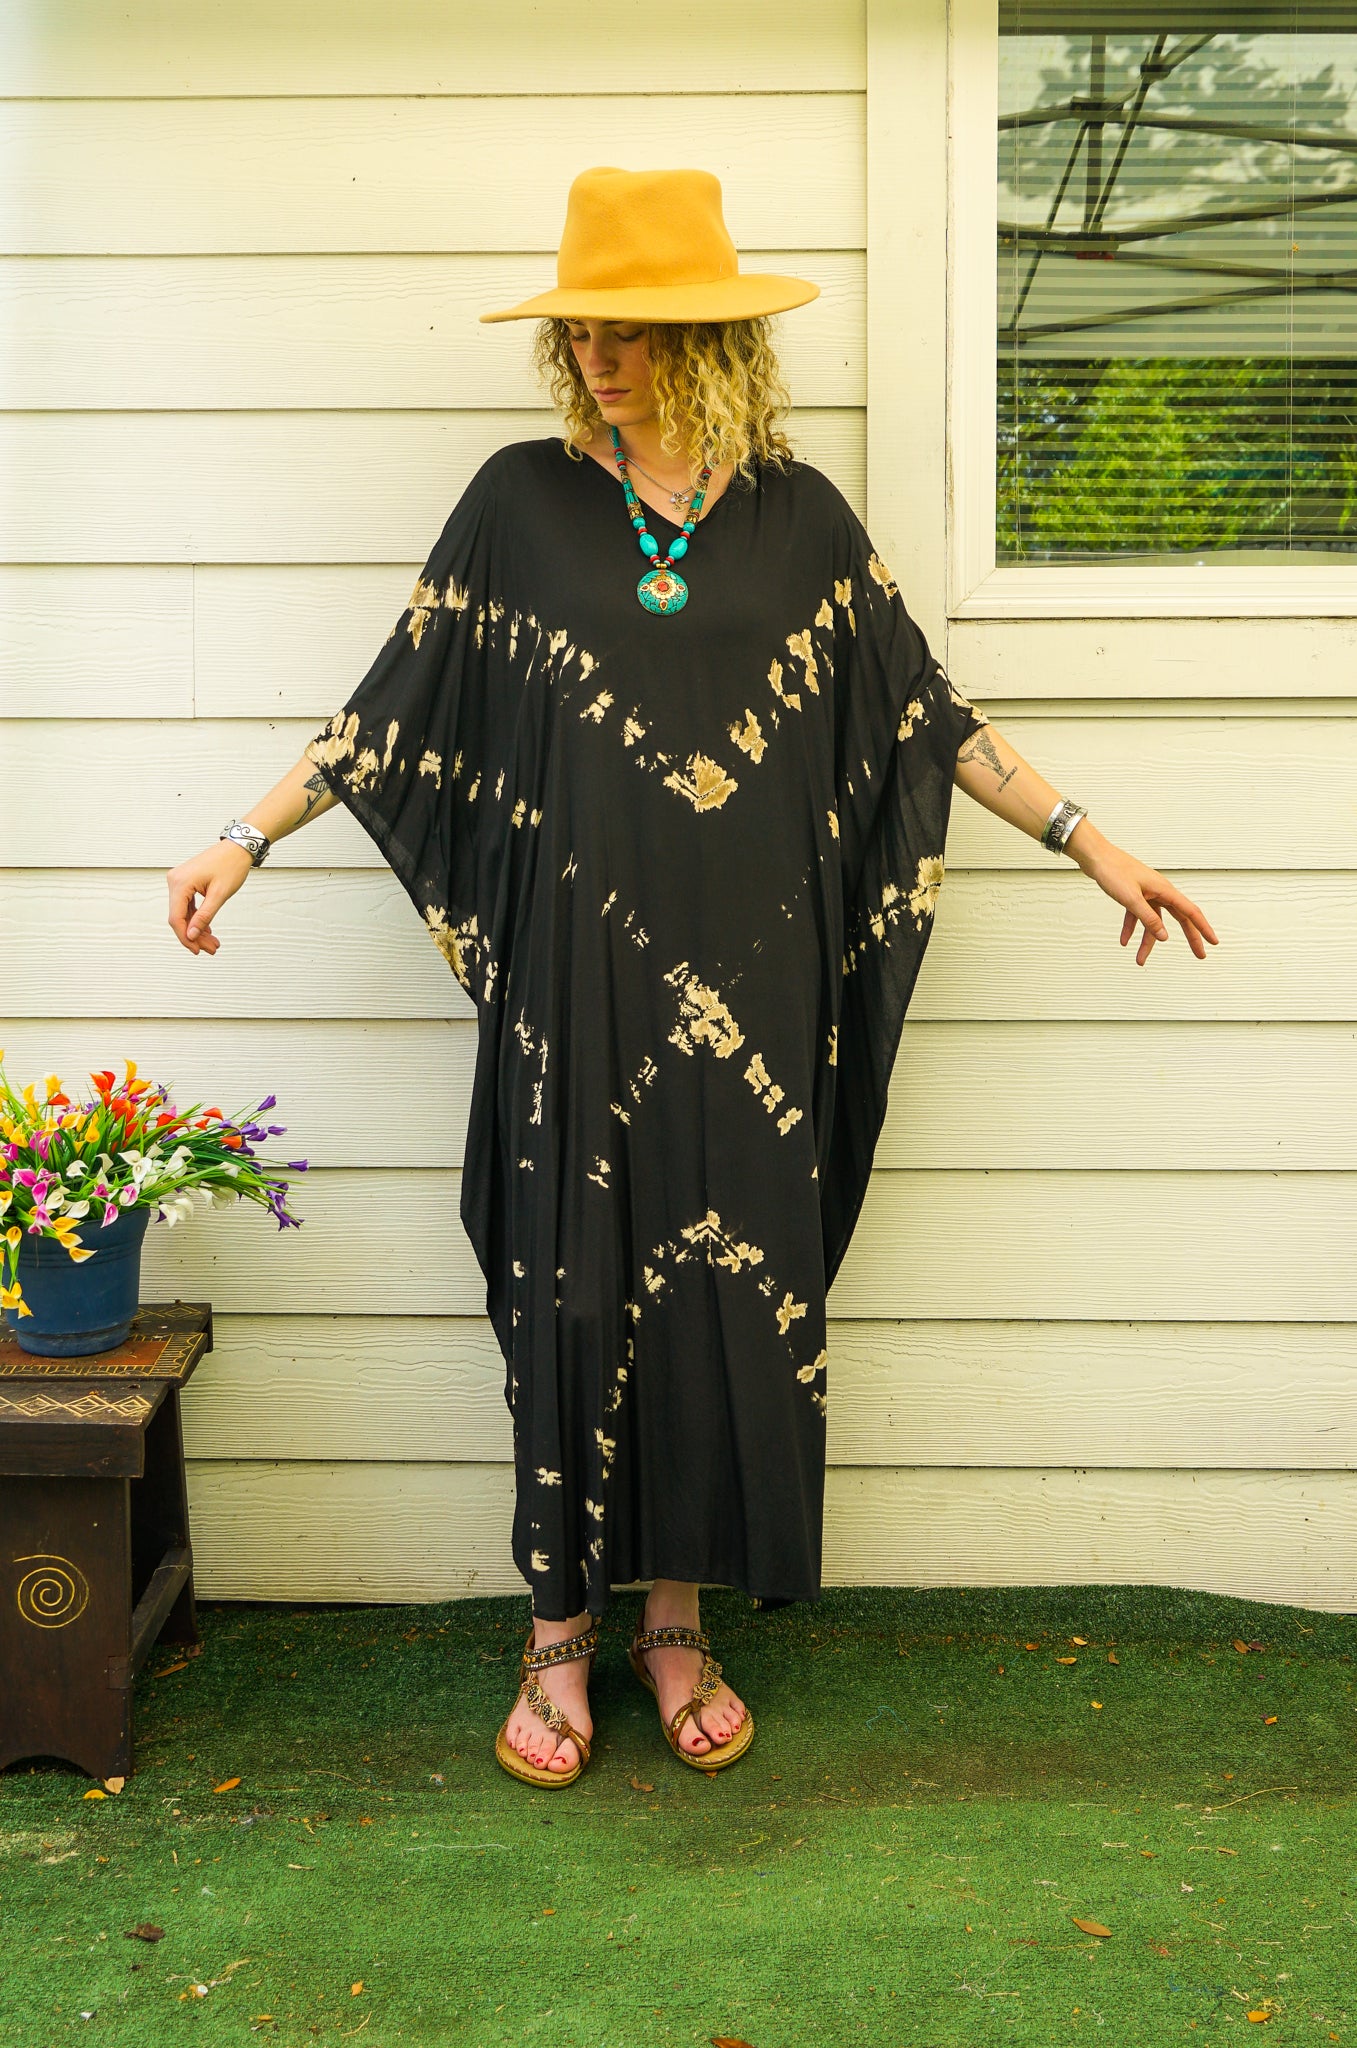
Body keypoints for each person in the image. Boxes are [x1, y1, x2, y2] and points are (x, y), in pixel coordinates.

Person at [166, 165, 1219, 1791]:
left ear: (710, 337)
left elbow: (921, 715)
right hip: (577, 979)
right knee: (573, 1281)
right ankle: (555, 1628)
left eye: (635, 329)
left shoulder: (801, 520)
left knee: (727, 1286)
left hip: (755, 985)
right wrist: (242, 835)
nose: (599, 354)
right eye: (583, 327)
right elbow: (393, 710)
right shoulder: (518, 504)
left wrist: (1092, 842)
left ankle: (674, 1623)